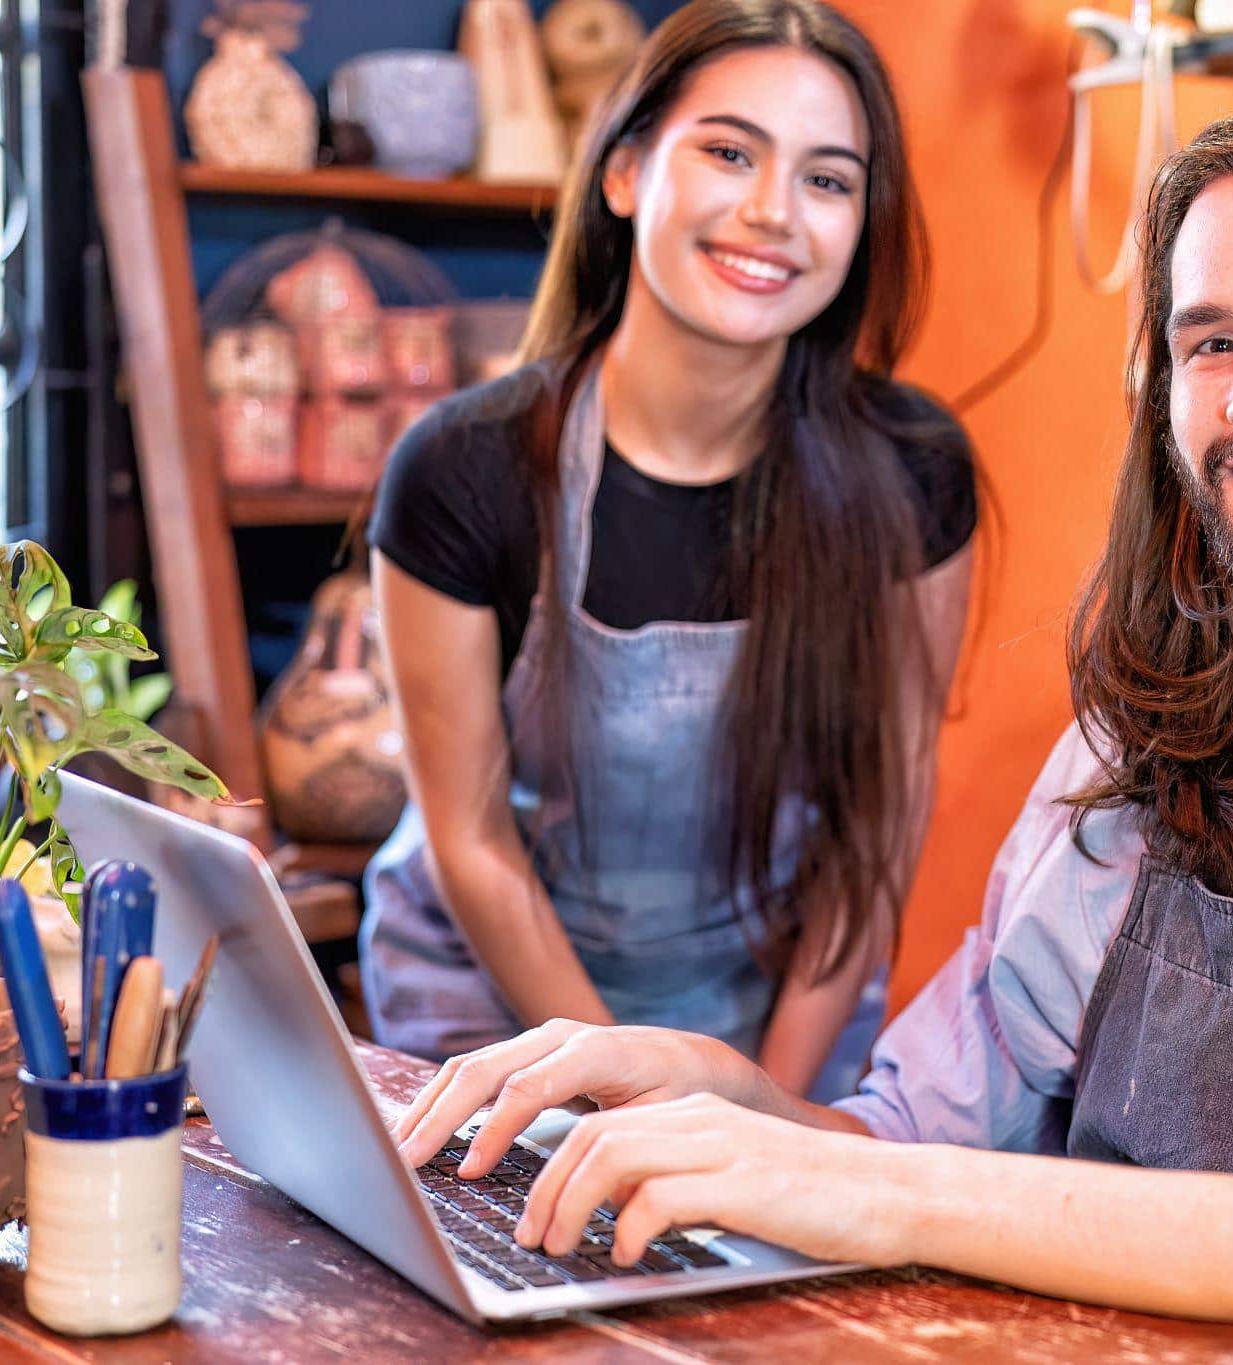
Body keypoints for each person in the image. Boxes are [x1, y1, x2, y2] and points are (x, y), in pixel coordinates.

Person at [392, 92, 1233, 1337]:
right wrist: (724, 1098)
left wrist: (895, 1190)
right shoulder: (1121, 773)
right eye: (1211, 341)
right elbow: (905, 1143)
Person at [361, 0, 978, 1103]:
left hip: (774, 1028)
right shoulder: (463, 469)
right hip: (492, 1018)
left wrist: (759, 1112)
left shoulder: (912, 473)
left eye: (826, 180)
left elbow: (875, 833)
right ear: (625, 174)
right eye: (729, 152)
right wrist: (629, 1096)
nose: (770, 211)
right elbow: (470, 845)